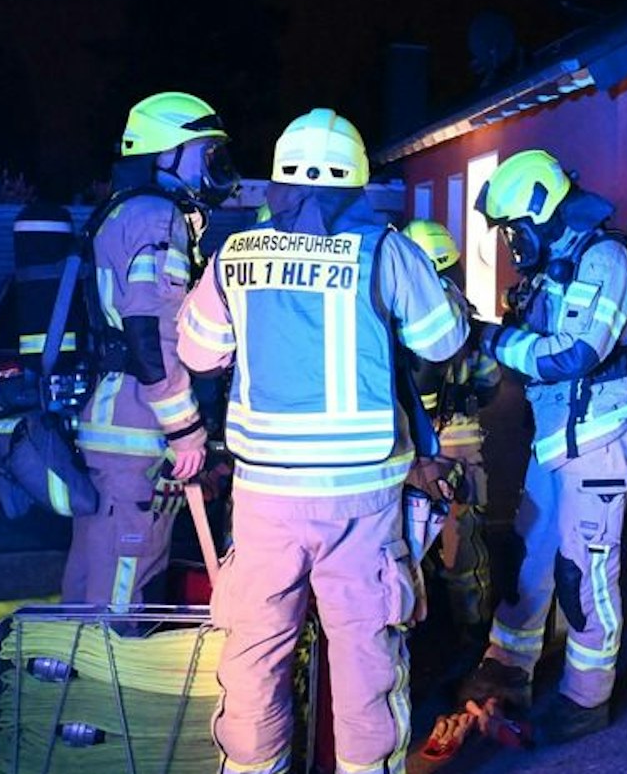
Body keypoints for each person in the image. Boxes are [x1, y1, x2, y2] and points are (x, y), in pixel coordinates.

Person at [178, 108, 468, 774]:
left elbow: (197, 351)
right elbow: (444, 342)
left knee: (254, 659)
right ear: (357, 181)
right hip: (361, 501)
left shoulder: (236, 255)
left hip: (265, 501)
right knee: (367, 661)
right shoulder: (386, 249)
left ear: (280, 180)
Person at [456, 149, 627, 745]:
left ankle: (588, 698)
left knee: (583, 571)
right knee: (529, 555)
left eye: (515, 229)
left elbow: (574, 354)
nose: (513, 242)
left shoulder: (604, 258)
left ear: (542, 209)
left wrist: (492, 338)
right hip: (557, 435)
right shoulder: (554, 265)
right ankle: (508, 666)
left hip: (599, 437)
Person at [63, 90, 235, 607]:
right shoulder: (157, 218)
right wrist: (184, 430)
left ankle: (66, 676)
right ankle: (110, 673)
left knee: (95, 561)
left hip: (115, 419)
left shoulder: (126, 212)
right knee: (125, 575)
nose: (214, 167)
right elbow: (151, 335)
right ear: (166, 155)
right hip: (137, 428)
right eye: (205, 152)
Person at [402, 218, 503, 658]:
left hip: (406, 444)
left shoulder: (394, 309)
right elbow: (489, 382)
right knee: (462, 542)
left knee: (402, 538)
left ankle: (409, 635)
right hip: (460, 438)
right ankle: (471, 635)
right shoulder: (464, 315)